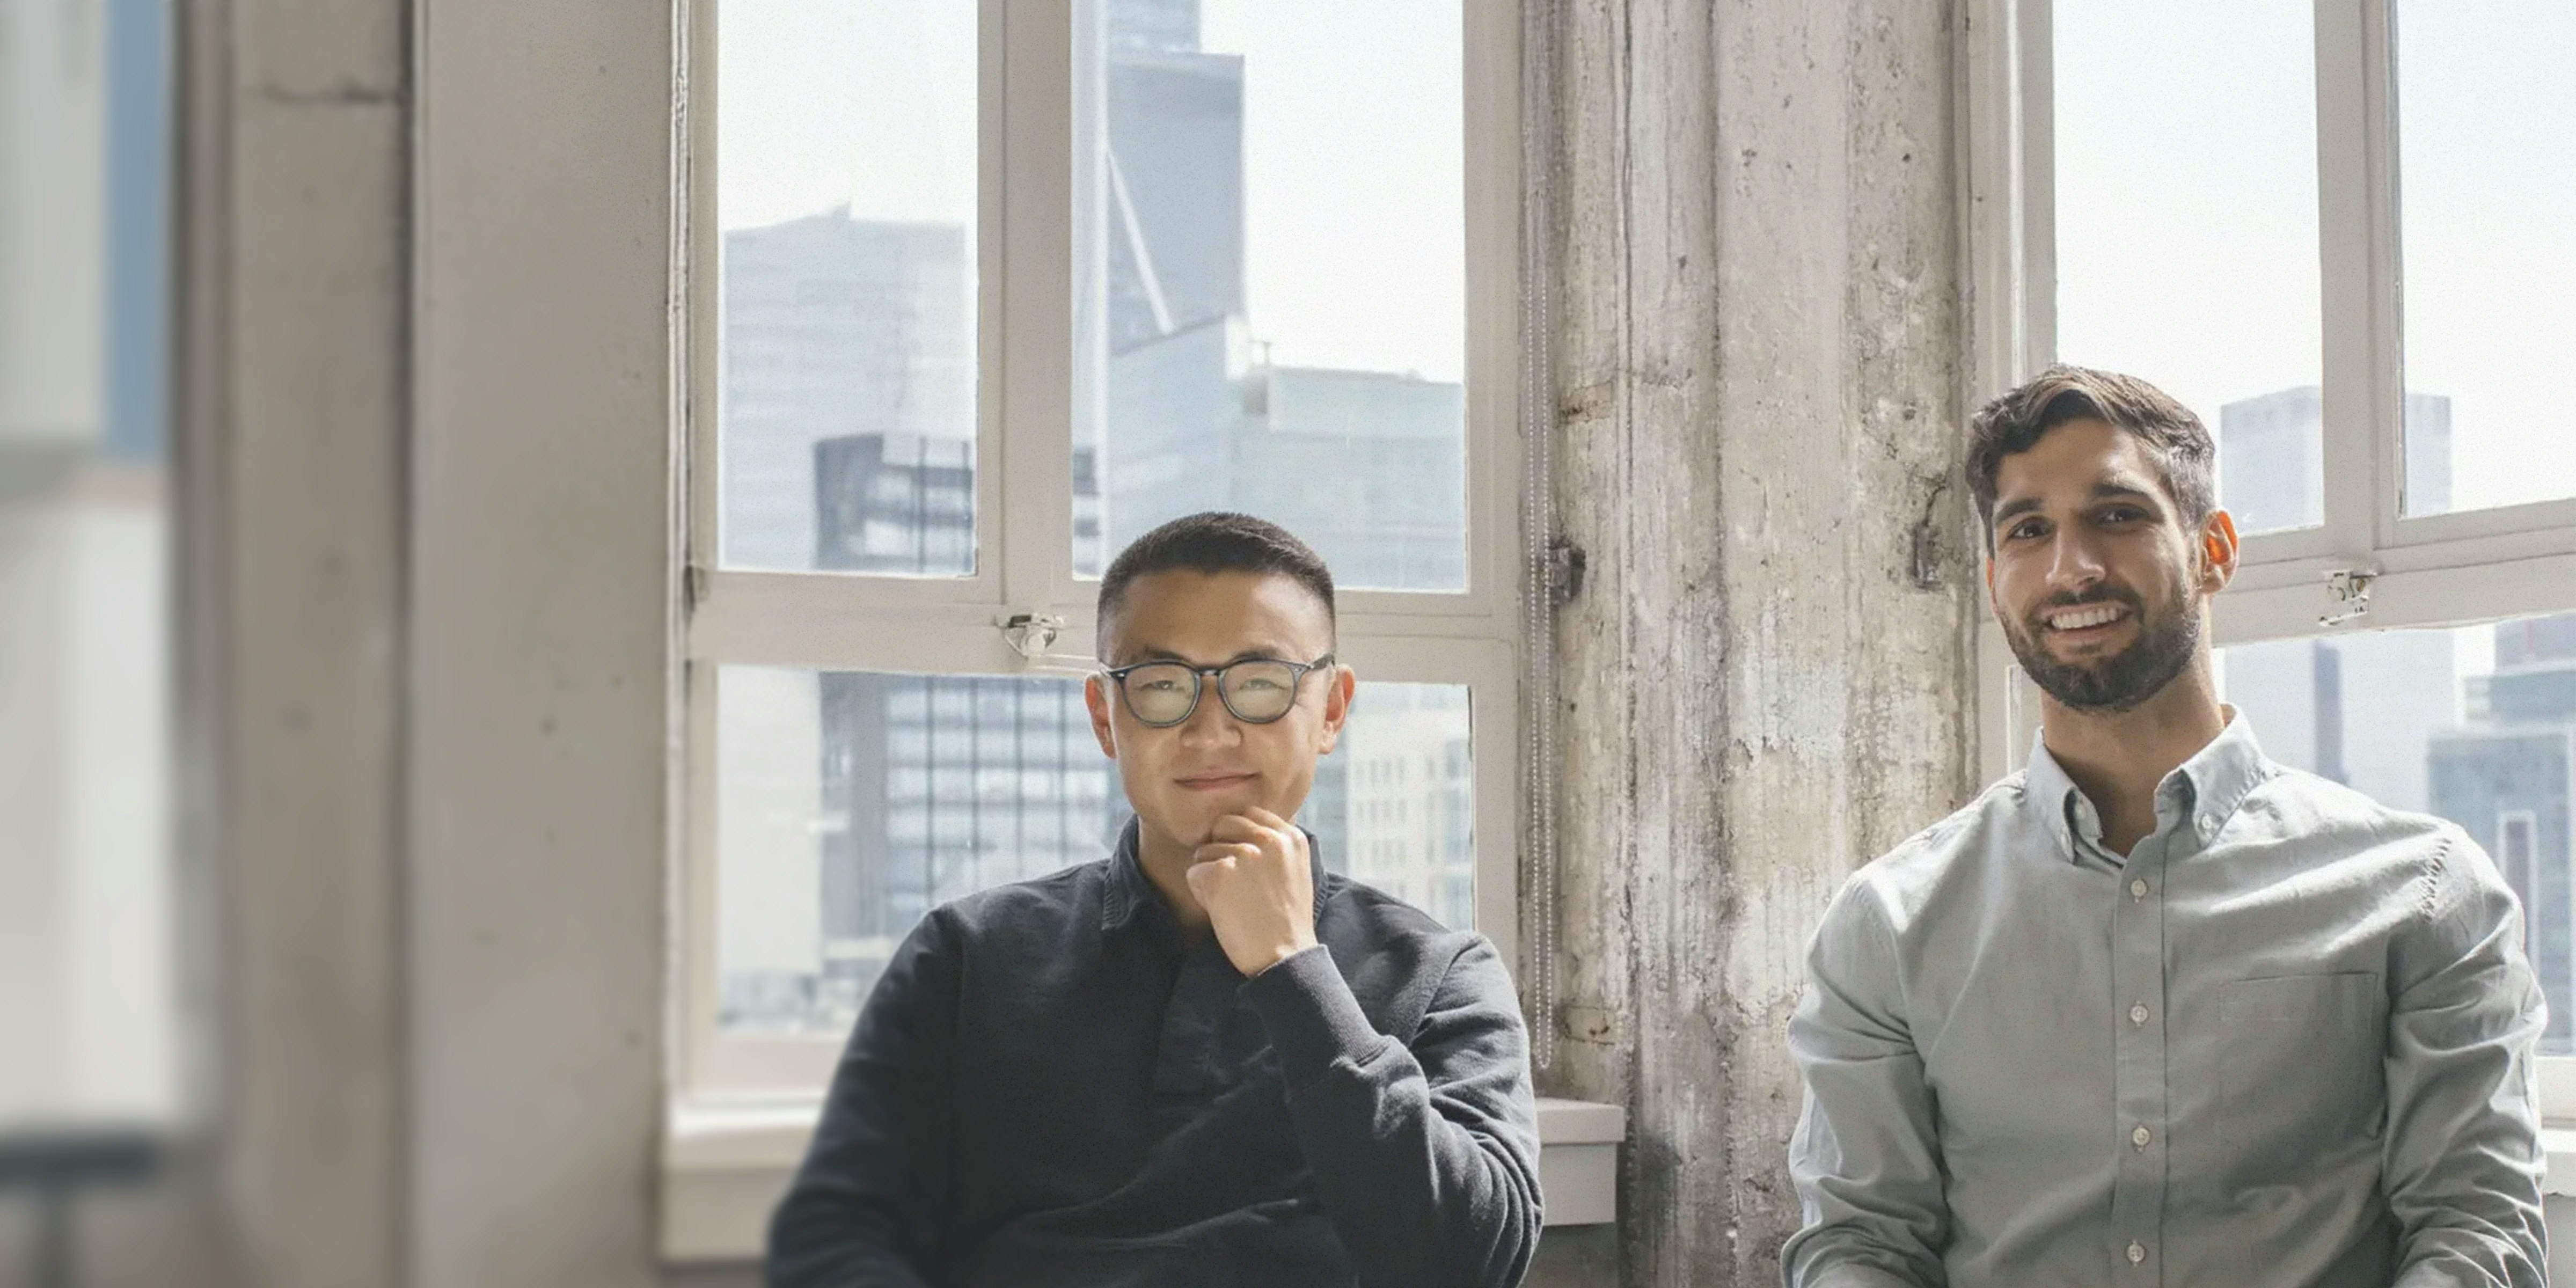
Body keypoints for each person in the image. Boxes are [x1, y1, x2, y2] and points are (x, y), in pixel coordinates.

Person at [1782, 366, 2547, 1286]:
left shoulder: (2425, 892)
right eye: (2029, 531)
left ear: (2215, 549)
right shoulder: (1890, 923)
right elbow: (1860, 1244)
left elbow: (2476, 1234)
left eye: (2118, 515)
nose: (2072, 569)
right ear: (1994, 583)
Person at [767, 511, 1541, 1288]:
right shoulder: (967, 955)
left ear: (1332, 710)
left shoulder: (1442, 975)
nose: (1211, 730)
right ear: (1106, 717)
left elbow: (1473, 1263)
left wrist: (1293, 968)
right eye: (1163, 685)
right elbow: (835, 1239)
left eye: (1260, 684)